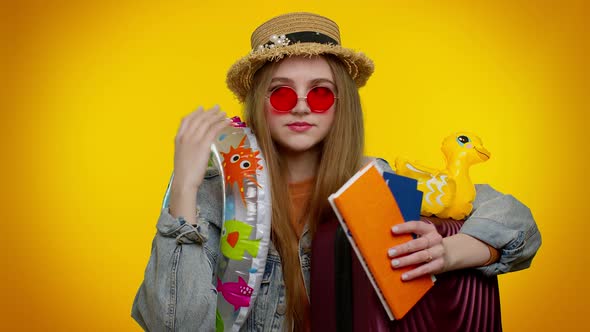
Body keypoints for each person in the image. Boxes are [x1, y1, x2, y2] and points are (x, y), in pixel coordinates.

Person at [131, 12, 541, 332]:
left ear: (342, 104)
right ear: (258, 102)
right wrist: (184, 183)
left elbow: (516, 222)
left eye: (322, 92)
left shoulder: (373, 185)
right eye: (283, 92)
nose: (302, 106)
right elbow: (177, 325)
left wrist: (450, 253)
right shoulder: (212, 197)